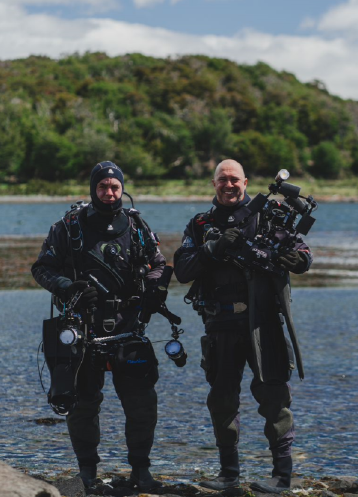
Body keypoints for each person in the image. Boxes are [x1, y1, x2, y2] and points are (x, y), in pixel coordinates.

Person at [174, 159, 312, 493]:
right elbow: (182, 269)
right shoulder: (200, 224)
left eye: (235, 179)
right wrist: (213, 248)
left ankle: (281, 478)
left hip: (263, 322)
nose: (229, 185)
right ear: (214, 183)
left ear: (246, 182)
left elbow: (303, 252)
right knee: (222, 400)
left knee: (275, 399)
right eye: (223, 180)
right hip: (220, 323)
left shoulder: (268, 215)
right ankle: (228, 475)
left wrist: (300, 260)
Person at [31, 161, 168, 491]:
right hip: (82, 329)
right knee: (82, 404)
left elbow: (159, 265)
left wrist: (153, 290)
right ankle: (88, 475)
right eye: (103, 186)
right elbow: (41, 268)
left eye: (115, 187)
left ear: (123, 189)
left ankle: (140, 472)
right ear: (94, 188)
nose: (109, 192)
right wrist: (68, 288)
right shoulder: (68, 226)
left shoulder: (136, 227)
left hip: (128, 327)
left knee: (142, 403)